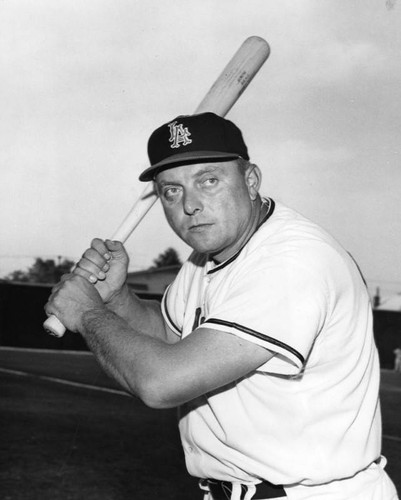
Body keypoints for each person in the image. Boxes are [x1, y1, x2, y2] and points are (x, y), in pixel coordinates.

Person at [45, 112, 398, 500]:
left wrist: (87, 314)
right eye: (171, 190)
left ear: (251, 181)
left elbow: (161, 383)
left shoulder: (292, 261)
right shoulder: (207, 256)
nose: (191, 205)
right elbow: (172, 337)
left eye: (208, 180)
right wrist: (116, 300)